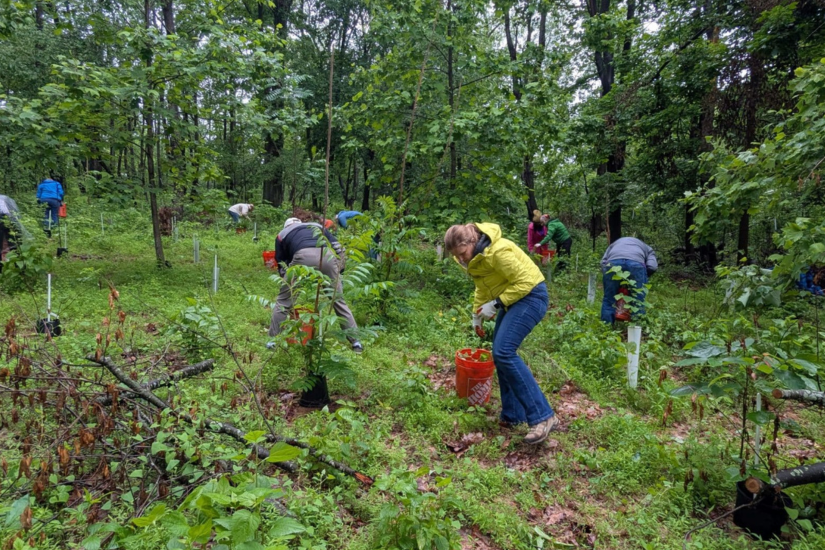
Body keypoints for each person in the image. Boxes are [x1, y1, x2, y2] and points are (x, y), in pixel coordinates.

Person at [444, 222, 559, 445]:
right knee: (500, 354)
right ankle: (513, 416)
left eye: (462, 253)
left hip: (531, 296)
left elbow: (525, 282)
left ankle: (543, 417)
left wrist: (496, 304)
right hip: (512, 300)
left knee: (504, 351)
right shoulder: (476, 259)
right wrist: (477, 313)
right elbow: (482, 286)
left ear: (471, 241)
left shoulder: (498, 251)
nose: (461, 259)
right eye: (456, 257)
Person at [269, 217, 363, 353]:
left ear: (286, 226)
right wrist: (339, 270)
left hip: (302, 257)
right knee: (338, 301)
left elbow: (281, 263)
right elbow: (339, 248)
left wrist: (287, 285)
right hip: (327, 257)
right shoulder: (317, 226)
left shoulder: (282, 234)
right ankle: (356, 342)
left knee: (283, 302)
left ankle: (273, 341)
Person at [600, 237, 658, 323]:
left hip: (613, 263)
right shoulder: (648, 249)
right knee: (638, 299)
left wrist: (610, 278)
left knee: (609, 298)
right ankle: (636, 328)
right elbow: (652, 267)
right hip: (636, 264)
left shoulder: (614, 244)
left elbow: (603, 262)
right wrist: (643, 277)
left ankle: (606, 327)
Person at [0, 195, 30, 268]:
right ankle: (21, 269)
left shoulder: (5, 199)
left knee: (14, 245)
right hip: (12, 221)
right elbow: (16, 215)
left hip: (6, 221)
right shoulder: (6, 199)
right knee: (16, 245)